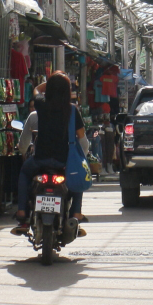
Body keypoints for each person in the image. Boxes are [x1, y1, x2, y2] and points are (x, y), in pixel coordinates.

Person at [12, 73, 90, 234]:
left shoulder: (41, 104)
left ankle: (21, 211)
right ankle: (76, 213)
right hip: (63, 161)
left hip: (41, 159)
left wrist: (44, 85)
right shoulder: (72, 111)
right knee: (77, 175)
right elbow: (83, 140)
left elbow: (35, 91)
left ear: (50, 89)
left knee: (25, 172)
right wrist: (84, 156)